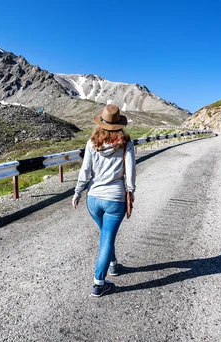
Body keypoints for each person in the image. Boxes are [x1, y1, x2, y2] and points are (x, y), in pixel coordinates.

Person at [72, 104, 136, 297]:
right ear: (119, 125)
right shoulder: (126, 143)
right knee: (107, 238)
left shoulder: (92, 142)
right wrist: (130, 191)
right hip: (115, 199)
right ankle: (99, 283)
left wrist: (77, 192)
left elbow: (85, 170)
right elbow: (131, 170)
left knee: (105, 236)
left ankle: (114, 265)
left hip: (93, 199)